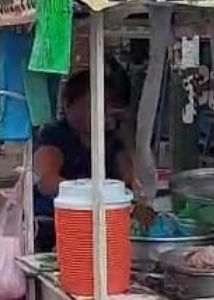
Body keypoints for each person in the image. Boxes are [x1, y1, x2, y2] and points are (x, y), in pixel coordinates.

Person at [33, 71, 153, 251]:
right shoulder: (54, 134)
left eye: (106, 106)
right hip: (56, 222)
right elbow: (47, 181)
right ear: (68, 105)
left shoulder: (111, 140)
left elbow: (131, 180)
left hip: (105, 226)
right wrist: (96, 195)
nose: (101, 113)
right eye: (92, 105)